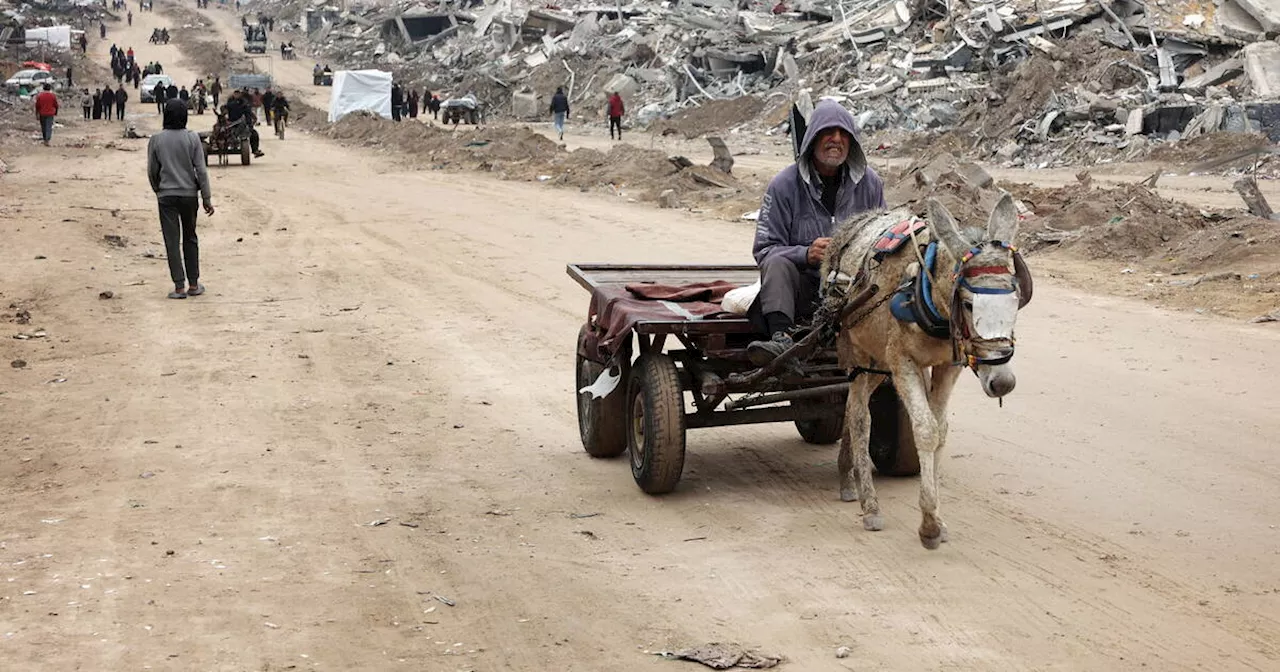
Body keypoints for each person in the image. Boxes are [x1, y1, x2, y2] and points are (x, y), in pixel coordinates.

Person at [745, 100, 886, 365]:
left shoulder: (870, 184)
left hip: (852, 293)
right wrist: (806, 254)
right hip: (803, 292)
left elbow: (883, 241)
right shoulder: (783, 185)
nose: (836, 140)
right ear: (812, 138)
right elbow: (764, 250)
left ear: (852, 142)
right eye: (828, 132)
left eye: (844, 133)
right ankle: (780, 339)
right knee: (776, 262)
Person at [148, 99, 214, 300]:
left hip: (166, 196)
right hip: (189, 195)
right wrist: (206, 197)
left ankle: (179, 287)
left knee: (172, 241)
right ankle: (194, 284)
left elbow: (152, 170)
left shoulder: (156, 139)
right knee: (190, 237)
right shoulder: (192, 138)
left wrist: (157, 189)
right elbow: (201, 170)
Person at [225, 91, 264, 158]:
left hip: (242, 124)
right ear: (233, 94)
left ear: (240, 95)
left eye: (238, 94)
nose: (236, 95)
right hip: (231, 124)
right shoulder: (230, 101)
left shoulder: (244, 103)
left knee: (254, 134)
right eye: (235, 94)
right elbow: (224, 109)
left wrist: (250, 125)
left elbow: (248, 114)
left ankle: (255, 151)